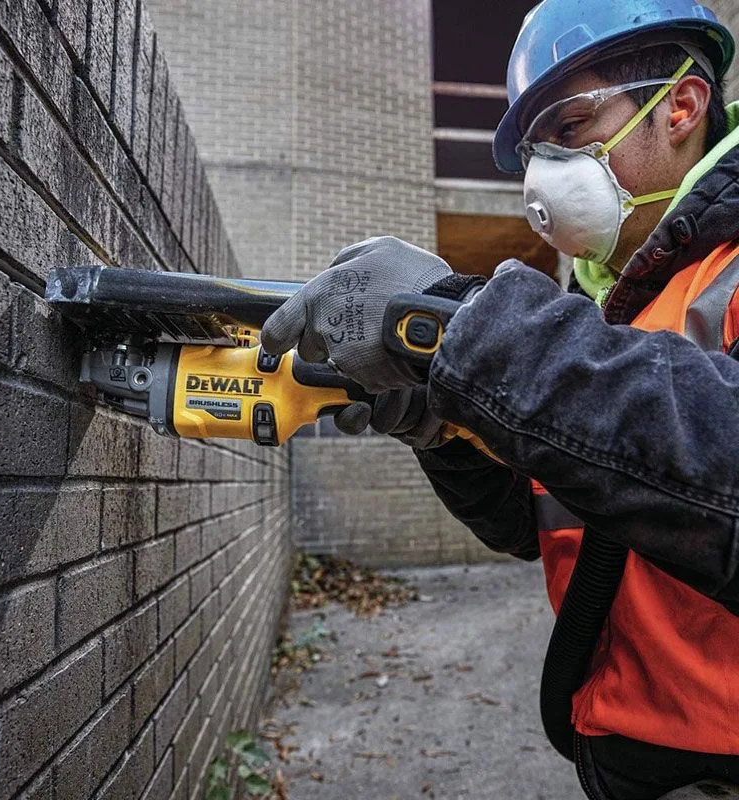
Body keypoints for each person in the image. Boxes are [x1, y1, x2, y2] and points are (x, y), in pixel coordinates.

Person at [260, 1, 739, 798]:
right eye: (533, 151)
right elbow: (550, 525)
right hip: (629, 753)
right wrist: (449, 434)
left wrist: (460, 328)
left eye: (569, 126)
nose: (544, 173)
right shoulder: (615, 307)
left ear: (681, 107)